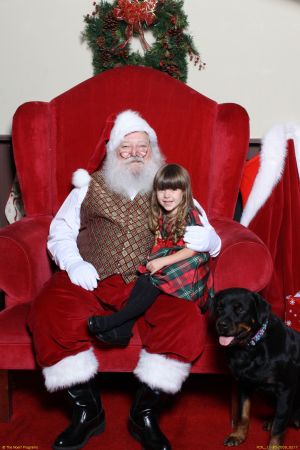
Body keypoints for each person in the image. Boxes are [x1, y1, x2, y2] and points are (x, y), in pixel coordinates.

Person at [28, 110, 221, 450]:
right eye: (126, 147)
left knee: (186, 321)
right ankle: (87, 411)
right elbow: (60, 230)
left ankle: (144, 413)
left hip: (152, 283)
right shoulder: (88, 185)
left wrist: (211, 241)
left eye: (142, 147)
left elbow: (207, 234)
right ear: (113, 152)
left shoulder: (169, 188)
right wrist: (73, 263)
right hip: (91, 278)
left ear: (154, 151)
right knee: (48, 311)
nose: (134, 153)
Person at [88, 163, 213, 346]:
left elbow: (193, 250)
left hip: (190, 269)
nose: (167, 195)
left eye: (173, 189)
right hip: (172, 262)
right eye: (162, 190)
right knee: (144, 278)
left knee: (153, 279)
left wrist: (163, 261)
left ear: (184, 192)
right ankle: (123, 331)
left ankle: (115, 321)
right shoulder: (162, 215)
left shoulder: (189, 214)